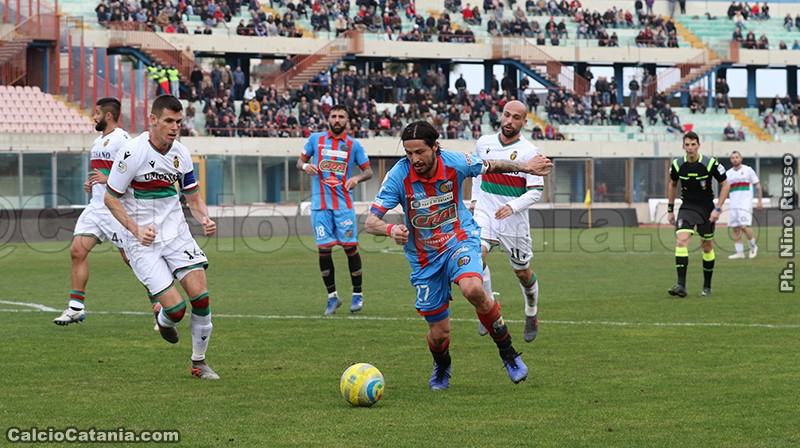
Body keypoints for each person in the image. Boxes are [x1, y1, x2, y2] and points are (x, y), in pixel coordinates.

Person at [365, 120, 553, 389]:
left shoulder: (455, 162)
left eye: (420, 152)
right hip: (424, 258)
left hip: (458, 240)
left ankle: (509, 354)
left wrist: (526, 167)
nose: (414, 159)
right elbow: (371, 222)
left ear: (435, 146)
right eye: (409, 153)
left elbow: (492, 165)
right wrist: (390, 229)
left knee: (473, 288)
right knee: (439, 334)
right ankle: (442, 365)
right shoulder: (398, 176)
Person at [105, 95, 219, 380]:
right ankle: (165, 318)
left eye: (178, 122)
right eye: (169, 121)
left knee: (201, 297)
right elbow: (110, 199)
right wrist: (136, 230)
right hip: (141, 242)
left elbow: (194, 199)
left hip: (176, 234)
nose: (174, 127)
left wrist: (204, 218)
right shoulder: (132, 153)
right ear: (153, 120)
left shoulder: (181, 154)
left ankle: (199, 362)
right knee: (177, 310)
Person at [53, 98, 137, 325]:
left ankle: (160, 304)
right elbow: (101, 174)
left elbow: (135, 175)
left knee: (133, 260)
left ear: (108, 116)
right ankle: (75, 308)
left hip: (116, 209)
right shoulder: (97, 142)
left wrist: (107, 178)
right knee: (77, 251)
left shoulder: (123, 140)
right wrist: (92, 184)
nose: (94, 116)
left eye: (97, 113)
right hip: (96, 207)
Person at [470, 101, 544, 343]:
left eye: (516, 117)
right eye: (507, 115)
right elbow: (477, 173)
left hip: (514, 221)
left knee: (522, 272)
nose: (509, 121)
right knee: (476, 257)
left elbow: (536, 191)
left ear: (524, 122)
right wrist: (474, 199)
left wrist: (511, 207)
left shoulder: (530, 152)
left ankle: (531, 310)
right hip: (485, 212)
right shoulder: (484, 143)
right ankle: (489, 307)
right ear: (501, 116)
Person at [297, 105, 373, 315]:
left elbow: (368, 171)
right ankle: (332, 297)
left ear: (347, 121)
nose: (337, 120)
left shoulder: (354, 145)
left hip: (343, 206)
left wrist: (356, 178)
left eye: (341, 116)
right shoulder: (315, 139)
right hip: (320, 206)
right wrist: (305, 166)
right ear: (328, 119)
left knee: (350, 248)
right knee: (324, 250)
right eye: (333, 116)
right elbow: (300, 161)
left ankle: (357, 294)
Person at [667, 131, 730, 298]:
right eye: (687, 145)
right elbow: (672, 184)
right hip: (687, 207)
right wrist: (670, 210)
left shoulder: (710, 163)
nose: (690, 148)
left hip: (706, 209)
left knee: (707, 246)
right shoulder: (677, 164)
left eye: (693, 144)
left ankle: (706, 287)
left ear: (698, 145)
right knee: (681, 240)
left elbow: (725, 185)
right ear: (683, 146)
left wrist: (718, 208)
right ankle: (681, 285)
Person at [726, 150, 763, 259]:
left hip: (745, 203)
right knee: (735, 228)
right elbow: (725, 189)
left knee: (744, 226)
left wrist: (759, 201)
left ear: (741, 158)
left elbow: (758, 186)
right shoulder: (728, 173)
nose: (735, 159)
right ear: (731, 160)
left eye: (737, 157)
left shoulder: (748, 170)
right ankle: (739, 252)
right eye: (733, 158)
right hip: (733, 204)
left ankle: (753, 246)